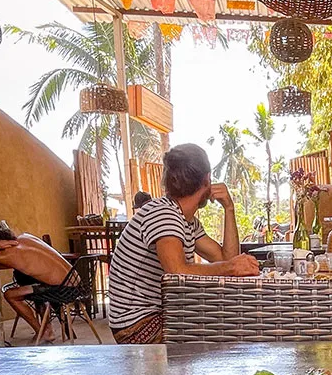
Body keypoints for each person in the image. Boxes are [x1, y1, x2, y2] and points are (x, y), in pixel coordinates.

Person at [108, 143, 259, 344]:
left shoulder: (185, 220)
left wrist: (229, 209)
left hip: (156, 316)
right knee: (230, 334)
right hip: (137, 325)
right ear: (207, 179)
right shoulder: (163, 214)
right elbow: (176, 271)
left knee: (234, 323)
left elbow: (226, 259)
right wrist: (231, 267)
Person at [0, 221, 81, 342]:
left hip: (60, 290)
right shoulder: (26, 237)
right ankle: (47, 328)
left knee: (10, 294)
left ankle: (42, 331)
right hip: (76, 283)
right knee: (29, 280)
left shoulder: (6, 255)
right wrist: (10, 241)